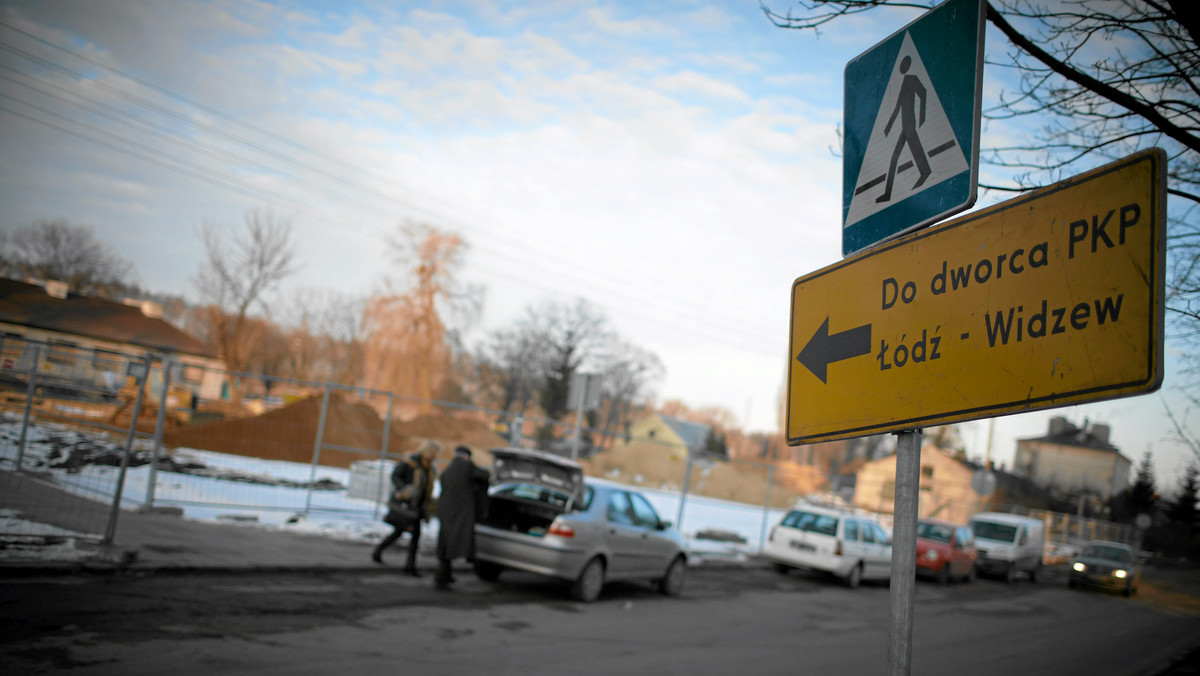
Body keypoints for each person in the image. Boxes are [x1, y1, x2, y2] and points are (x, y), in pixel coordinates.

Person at [372, 439, 440, 576]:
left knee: (414, 536)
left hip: (419, 506)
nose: (434, 456)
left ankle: (409, 565)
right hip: (406, 506)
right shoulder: (411, 462)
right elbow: (395, 475)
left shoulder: (430, 468)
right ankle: (381, 552)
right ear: (427, 451)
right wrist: (404, 490)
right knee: (400, 532)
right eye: (433, 453)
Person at [434, 445, 490, 590]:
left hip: (445, 511)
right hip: (460, 512)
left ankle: (446, 575)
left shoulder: (449, 469)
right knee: (454, 542)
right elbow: (483, 475)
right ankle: (441, 576)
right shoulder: (466, 465)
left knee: (446, 542)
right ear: (466, 456)